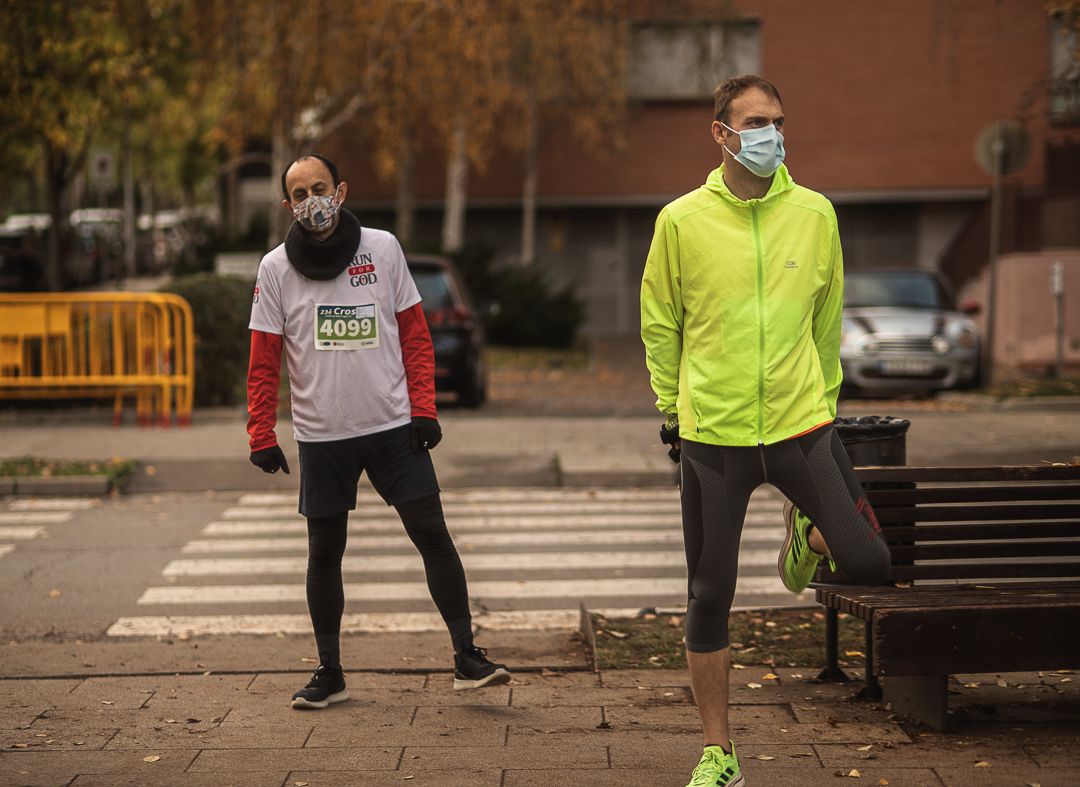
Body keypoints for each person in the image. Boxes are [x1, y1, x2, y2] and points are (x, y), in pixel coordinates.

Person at [639, 75, 892, 786]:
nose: (771, 134)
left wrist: (827, 405)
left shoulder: (815, 214)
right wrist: (673, 409)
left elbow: (827, 319)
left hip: (800, 423)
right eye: (756, 122)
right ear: (721, 133)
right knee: (709, 592)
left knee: (870, 562)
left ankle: (803, 538)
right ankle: (719, 752)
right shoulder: (681, 221)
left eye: (778, 121)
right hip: (714, 434)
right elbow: (661, 321)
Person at [246, 153, 510, 709]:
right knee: (325, 552)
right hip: (322, 435)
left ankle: (467, 655)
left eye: (320, 187)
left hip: (392, 428)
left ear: (340, 191)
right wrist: (261, 434)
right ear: (286, 205)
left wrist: (425, 410)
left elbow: (415, 335)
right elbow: (263, 359)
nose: (312, 200)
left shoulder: (383, 249)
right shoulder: (274, 269)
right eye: (299, 193)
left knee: (433, 535)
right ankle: (329, 672)